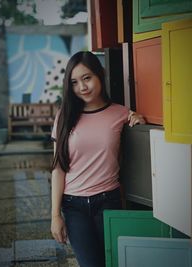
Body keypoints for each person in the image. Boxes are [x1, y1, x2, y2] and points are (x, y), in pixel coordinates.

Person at [50, 51, 145, 267]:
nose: (82, 87)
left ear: (100, 74)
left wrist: (139, 122)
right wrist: (55, 215)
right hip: (73, 206)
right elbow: (58, 168)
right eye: (74, 82)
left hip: (108, 202)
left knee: (115, 263)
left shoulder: (120, 113)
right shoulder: (64, 116)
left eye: (87, 78)